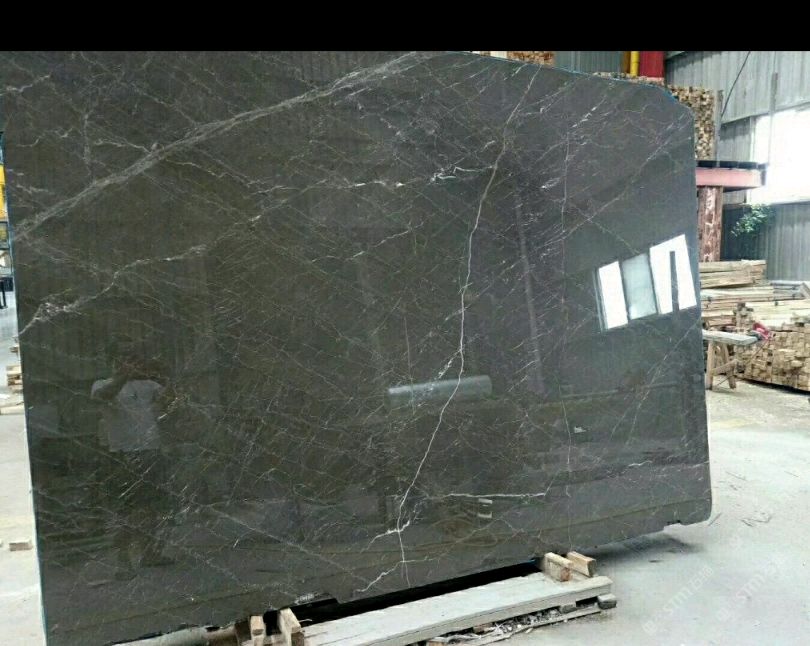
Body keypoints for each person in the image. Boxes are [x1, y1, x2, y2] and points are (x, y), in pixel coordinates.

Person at [91, 344, 175, 580]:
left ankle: (149, 553)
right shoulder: (102, 384)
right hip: (123, 454)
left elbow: (171, 402)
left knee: (151, 508)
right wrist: (123, 376)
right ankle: (123, 561)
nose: (131, 364)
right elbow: (102, 396)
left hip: (151, 451)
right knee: (126, 511)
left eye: (134, 360)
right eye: (124, 360)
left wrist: (167, 377)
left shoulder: (148, 385)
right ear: (114, 362)